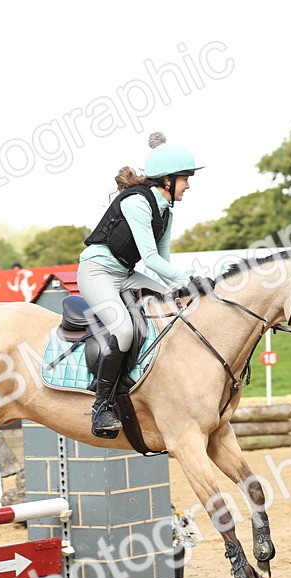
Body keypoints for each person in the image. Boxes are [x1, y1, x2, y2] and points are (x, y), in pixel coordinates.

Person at [77, 131, 200, 437]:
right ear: (168, 180)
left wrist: (180, 289)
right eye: (185, 178)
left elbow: (164, 260)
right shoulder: (137, 203)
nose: (189, 184)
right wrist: (188, 280)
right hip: (97, 271)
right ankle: (101, 405)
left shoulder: (166, 212)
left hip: (125, 273)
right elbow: (150, 259)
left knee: (175, 306)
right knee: (123, 329)